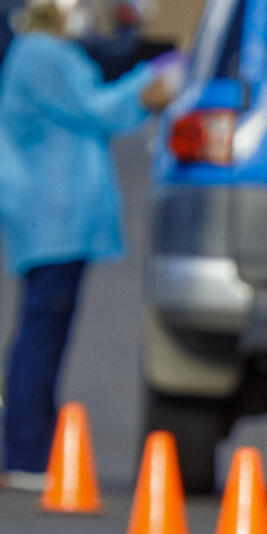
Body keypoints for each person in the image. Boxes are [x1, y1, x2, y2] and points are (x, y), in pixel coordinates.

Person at [0, 0, 171, 489]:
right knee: (41, 333)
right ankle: (27, 455)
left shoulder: (50, 52)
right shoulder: (40, 55)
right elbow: (101, 109)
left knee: (44, 332)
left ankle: (31, 449)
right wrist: (152, 81)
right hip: (52, 219)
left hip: (58, 220)